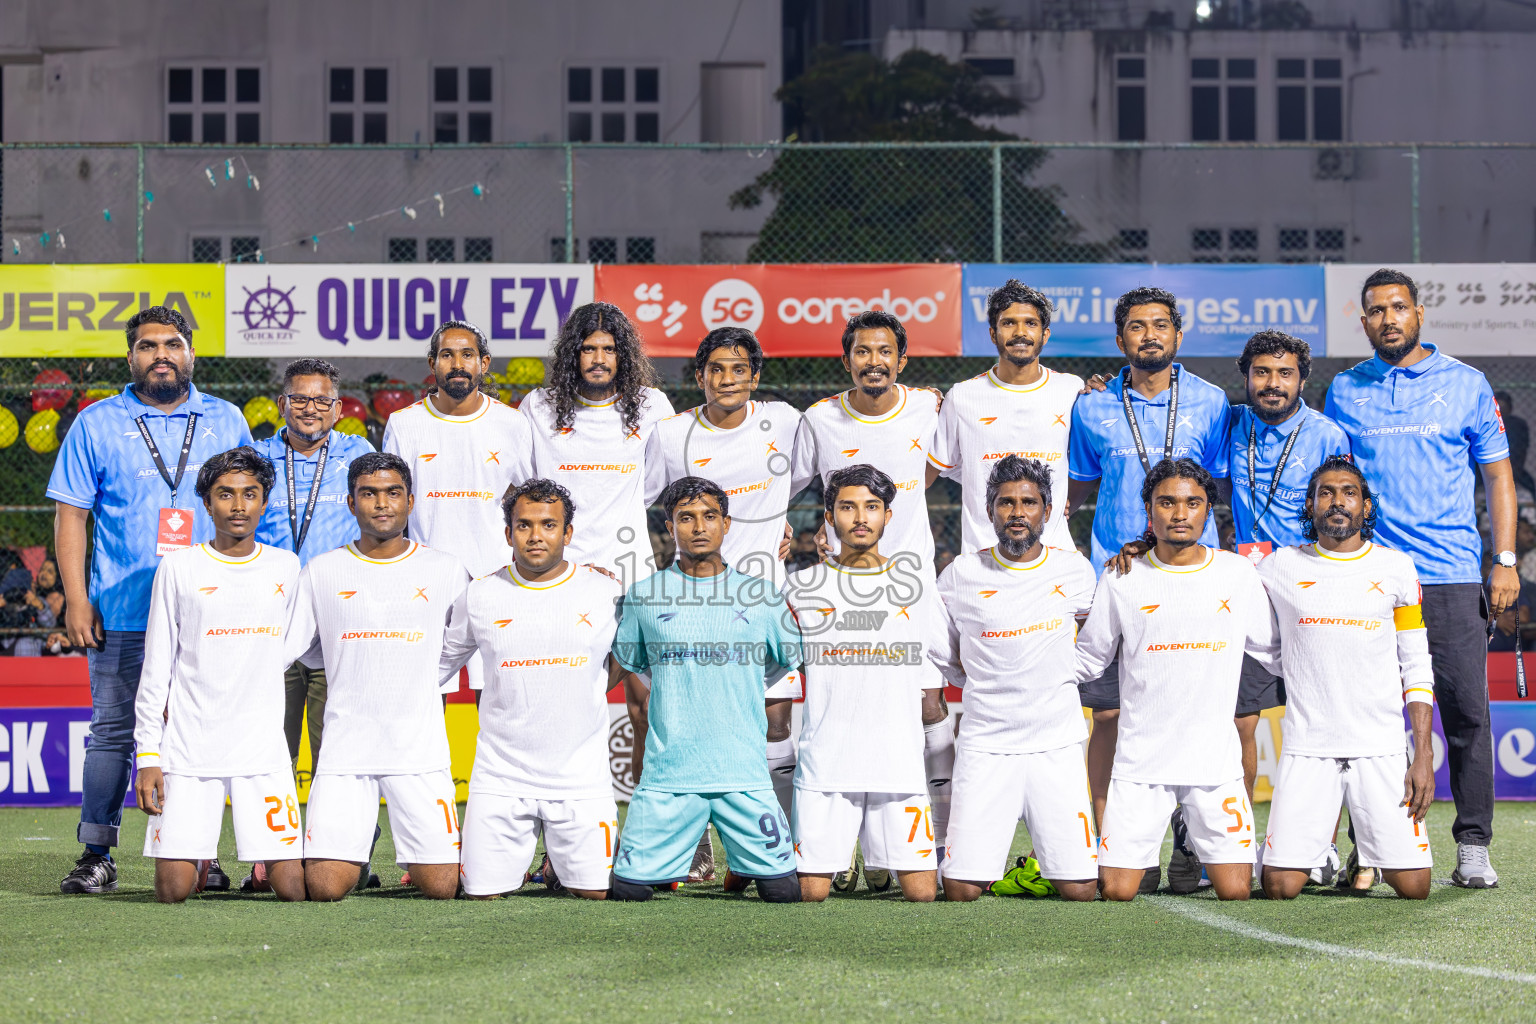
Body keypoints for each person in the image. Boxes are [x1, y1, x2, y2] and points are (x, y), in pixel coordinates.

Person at [46, 305, 253, 895]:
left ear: (191, 352)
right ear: (130, 356)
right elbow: (71, 517)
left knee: (200, 731)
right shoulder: (95, 422)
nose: (160, 354)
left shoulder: (227, 419)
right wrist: (76, 598)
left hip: (209, 612)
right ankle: (96, 855)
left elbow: (248, 513)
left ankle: (200, 854)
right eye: (147, 346)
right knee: (112, 730)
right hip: (122, 610)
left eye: (172, 344)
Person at [1324, 267, 1516, 890]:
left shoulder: (1467, 384)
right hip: (1372, 578)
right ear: (1364, 322)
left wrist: (1504, 559)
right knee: (1372, 718)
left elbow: (1498, 477)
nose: (1388, 320)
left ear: (1419, 313)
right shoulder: (1346, 390)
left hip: (1452, 577)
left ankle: (1473, 844)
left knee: (1465, 713)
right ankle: (1371, 849)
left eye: (1398, 308)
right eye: (1376, 311)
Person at [1064, 286, 1231, 893]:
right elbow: (1077, 492)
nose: (1150, 336)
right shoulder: (1092, 407)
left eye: (1161, 325)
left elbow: (1223, 490)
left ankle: (1190, 845)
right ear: (1120, 340)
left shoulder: (1214, 404)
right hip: (1118, 578)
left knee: (1194, 713)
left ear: (1179, 336)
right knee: (1106, 714)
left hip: (1188, 580)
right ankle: (1111, 843)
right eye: (1137, 327)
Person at [789, 309, 953, 883]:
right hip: (840, 588)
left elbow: (955, 463)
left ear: (902, 362)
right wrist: (786, 532)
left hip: (912, 587)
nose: (874, 362)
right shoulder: (819, 420)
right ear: (847, 360)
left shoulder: (930, 407)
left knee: (931, 705)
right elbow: (787, 486)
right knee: (836, 705)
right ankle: (834, 851)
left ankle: (931, 847)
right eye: (862, 352)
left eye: (885, 352)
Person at [1072, 458, 1278, 902]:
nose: (1180, 513)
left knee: (1237, 891)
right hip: (1140, 766)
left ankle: (1189, 828)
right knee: (1117, 891)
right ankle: (1162, 828)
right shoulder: (1121, 576)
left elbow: (1273, 651)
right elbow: (1088, 659)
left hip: (1213, 765)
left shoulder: (1237, 574)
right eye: (1167, 502)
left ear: (1208, 510)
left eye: (1193, 503)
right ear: (1150, 509)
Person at [285, 452, 470, 901]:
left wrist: (424, 673)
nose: (381, 503)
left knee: (442, 888)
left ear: (411, 500)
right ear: (351, 503)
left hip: (418, 751)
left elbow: (461, 642)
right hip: (346, 753)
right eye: (369, 494)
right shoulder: (322, 572)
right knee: (325, 888)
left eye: (392, 493)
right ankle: (357, 843)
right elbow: (300, 651)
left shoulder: (445, 569)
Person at [608, 477, 803, 903]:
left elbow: (783, 660)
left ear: (727, 523)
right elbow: (627, 663)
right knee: (627, 893)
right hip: (668, 776)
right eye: (686, 517)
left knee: (785, 893)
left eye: (710, 516)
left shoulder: (763, 597)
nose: (699, 527)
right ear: (669, 525)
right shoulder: (644, 596)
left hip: (743, 772)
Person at [439, 479, 630, 900]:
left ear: (568, 533)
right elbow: (437, 667)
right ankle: (535, 863)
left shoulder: (607, 592)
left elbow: (622, 663)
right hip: (500, 777)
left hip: (580, 779)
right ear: (508, 534)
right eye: (524, 525)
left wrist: (587, 683)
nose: (536, 536)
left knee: (597, 895)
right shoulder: (480, 593)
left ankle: (560, 867)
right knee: (481, 896)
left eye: (548, 524)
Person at [645, 327, 804, 828]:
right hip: (693, 602)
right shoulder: (671, 435)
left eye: (739, 369)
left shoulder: (783, 421)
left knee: (775, 723)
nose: (727, 379)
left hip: (762, 599)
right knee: (690, 724)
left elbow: (805, 476)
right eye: (716, 369)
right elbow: (646, 499)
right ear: (700, 377)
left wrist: (784, 519)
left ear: (755, 377)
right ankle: (694, 845)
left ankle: (782, 840)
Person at [133, 447, 305, 903]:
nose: (238, 505)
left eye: (250, 494)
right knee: (172, 892)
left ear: (264, 502)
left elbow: (292, 646)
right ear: (206, 503)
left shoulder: (286, 567)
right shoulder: (179, 567)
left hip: (262, 749)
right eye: (225, 494)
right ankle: (198, 855)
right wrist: (149, 755)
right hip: (190, 749)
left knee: (294, 890)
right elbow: (156, 670)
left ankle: (260, 862)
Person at [1258, 457, 1435, 900]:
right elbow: (1208, 569)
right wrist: (1143, 548)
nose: (1338, 502)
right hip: (1308, 746)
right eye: (1326, 493)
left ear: (1366, 507)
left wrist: (1423, 753)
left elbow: (1415, 663)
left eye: (1349, 493)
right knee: (1279, 887)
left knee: (1414, 888)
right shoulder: (1278, 565)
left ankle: (1368, 852)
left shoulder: (1398, 567)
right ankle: (1327, 852)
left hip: (1380, 747)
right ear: (1310, 504)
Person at [931, 456, 1099, 903]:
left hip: (1056, 743)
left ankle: (1039, 863)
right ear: (990, 511)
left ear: (1047, 510)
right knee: (961, 889)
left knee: (1080, 889)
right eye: (1006, 503)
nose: (1017, 512)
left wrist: (1061, 675)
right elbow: (946, 654)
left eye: (1029, 502)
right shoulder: (959, 576)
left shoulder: (1076, 571)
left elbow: (1095, 645)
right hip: (987, 743)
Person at [782, 464, 945, 903]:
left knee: (922, 895)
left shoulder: (917, 584)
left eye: (872, 507)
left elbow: (942, 657)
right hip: (825, 765)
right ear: (829, 516)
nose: (860, 517)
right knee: (810, 895)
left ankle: (876, 859)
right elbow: (775, 660)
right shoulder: (800, 588)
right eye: (847, 507)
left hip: (897, 762)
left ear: (888, 516)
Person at [1223, 334, 1351, 811]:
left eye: (1284, 374)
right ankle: (1230, 836)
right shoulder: (1231, 423)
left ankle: (1325, 839)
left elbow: (1340, 515)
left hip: (1307, 587)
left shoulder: (1327, 435)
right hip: (1246, 589)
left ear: (1301, 379)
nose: (1272, 384)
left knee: (1319, 716)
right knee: (1238, 719)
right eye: (1261, 373)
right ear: (1247, 377)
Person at [252, 358, 375, 787]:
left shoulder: (359, 454)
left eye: (322, 400)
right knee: (268, 746)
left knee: (337, 748)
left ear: (339, 409)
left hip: (337, 623)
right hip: (273, 624)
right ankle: (271, 851)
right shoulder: (257, 457)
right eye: (301, 399)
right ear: (282, 403)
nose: (311, 408)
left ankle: (343, 850)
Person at [522, 302, 673, 588]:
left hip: (630, 570)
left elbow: (654, 482)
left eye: (610, 349)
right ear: (573, 354)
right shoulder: (539, 406)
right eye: (588, 349)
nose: (599, 359)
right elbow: (525, 482)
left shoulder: (652, 406)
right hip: (558, 569)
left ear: (623, 355)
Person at [928, 279, 1084, 554]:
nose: (1020, 332)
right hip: (982, 556)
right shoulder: (963, 396)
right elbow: (943, 467)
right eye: (1009, 323)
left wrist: (1065, 498)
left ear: (1045, 334)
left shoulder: (1072, 390)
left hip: (1055, 557)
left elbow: (1089, 463)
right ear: (993, 333)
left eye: (1030, 323)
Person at [382, 320, 532, 582]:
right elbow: (391, 506)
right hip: (423, 579)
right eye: (447, 355)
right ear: (432, 364)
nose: (457, 365)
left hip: (494, 579)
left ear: (483, 363)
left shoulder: (512, 423)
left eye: (467, 355)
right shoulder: (403, 423)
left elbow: (532, 499)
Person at [1495, 391, 1534, 498]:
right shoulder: (1487, 424)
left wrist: (1515, 469)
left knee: (1530, 487)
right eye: (1498, 407)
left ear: (1510, 408)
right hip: (1489, 466)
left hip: (1513, 465)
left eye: (1504, 407)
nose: (1501, 411)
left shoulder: (1517, 424)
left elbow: (1522, 449)